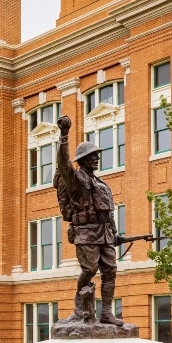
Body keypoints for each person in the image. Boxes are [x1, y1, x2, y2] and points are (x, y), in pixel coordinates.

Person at [53, 115, 123, 326]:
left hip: (104, 233)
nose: (97, 158)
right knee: (90, 270)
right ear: (82, 159)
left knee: (110, 270)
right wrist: (64, 135)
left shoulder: (100, 182)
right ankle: (78, 309)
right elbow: (63, 163)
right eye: (92, 155)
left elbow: (108, 212)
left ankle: (107, 313)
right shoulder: (75, 179)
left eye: (97, 155)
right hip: (86, 231)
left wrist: (115, 233)